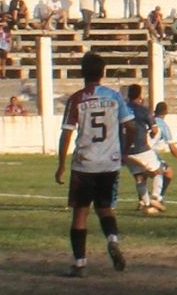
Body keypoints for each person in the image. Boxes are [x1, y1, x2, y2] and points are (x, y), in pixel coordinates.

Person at [55, 52, 136, 278]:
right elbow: (131, 128)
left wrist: (61, 164)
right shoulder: (114, 97)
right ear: (103, 72)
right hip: (109, 163)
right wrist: (125, 151)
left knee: (80, 213)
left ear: (82, 73)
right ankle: (112, 239)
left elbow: (66, 135)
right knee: (105, 208)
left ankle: (80, 263)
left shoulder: (77, 99)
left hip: (85, 163)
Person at [124, 84, 170, 214]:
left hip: (126, 150)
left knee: (139, 177)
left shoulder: (122, 109)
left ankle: (147, 205)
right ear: (139, 95)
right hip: (141, 147)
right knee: (158, 171)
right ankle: (155, 197)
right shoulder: (143, 110)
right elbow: (154, 130)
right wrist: (151, 133)